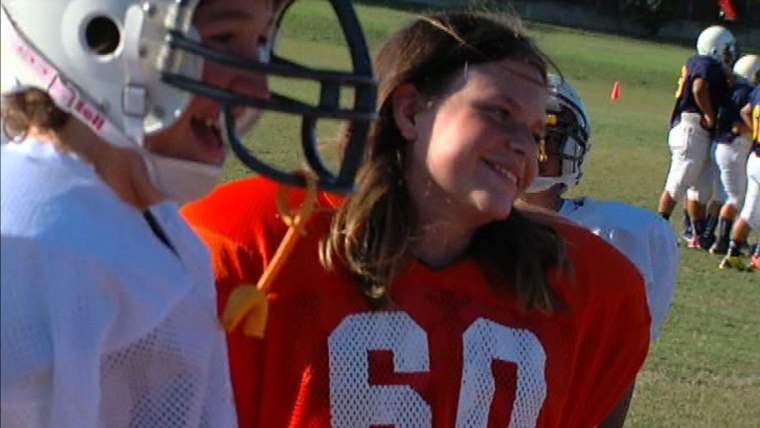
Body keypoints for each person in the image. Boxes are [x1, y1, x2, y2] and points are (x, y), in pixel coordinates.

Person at [182, 11, 650, 427]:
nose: (523, 146)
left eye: (533, 132)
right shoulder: (262, 242)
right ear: (409, 110)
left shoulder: (586, 286)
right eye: (498, 113)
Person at [0, 0, 374, 426]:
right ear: (100, 39)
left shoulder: (156, 230)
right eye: (223, 38)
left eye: (261, 42)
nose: (258, 88)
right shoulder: (30, 245)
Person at [520, 75, 678, 426]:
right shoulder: (454, 227)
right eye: (521, 135)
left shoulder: (620, 235)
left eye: (549, 139)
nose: (534, 152)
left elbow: (617, 368)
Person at [657, 25, 735, 248]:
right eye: (726, 50)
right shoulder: (705, 63)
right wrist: (709, 115)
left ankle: (697, 232)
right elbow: (699, 87)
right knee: (679, 182)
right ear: (715, 48)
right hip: (692, 128)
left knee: (700, 189)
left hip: (695, 131)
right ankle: (658, 226)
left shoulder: (702, 63)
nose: (729, 55)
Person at [705, 54, 759, 254]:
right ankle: (722, 240)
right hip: (733, 146)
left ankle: (707, 234)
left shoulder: (736, 90)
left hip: (720, 144)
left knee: (722, 196)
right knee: (734, 199)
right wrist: (753, 130)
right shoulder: (746, 93)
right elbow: (738, 126)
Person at [720, 84, 760, 271]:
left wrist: (755, 132)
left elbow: (745, 111)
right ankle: (757, 255)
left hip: (754, 158)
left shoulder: (758, 90)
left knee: (749, 212)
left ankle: (732, 254)